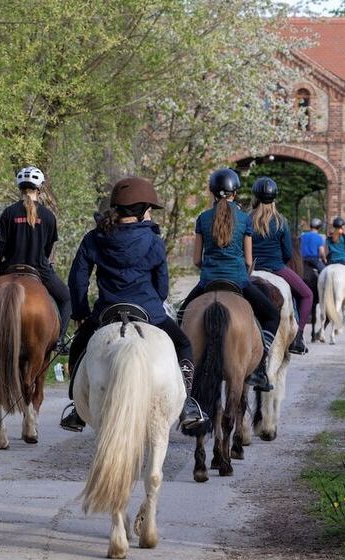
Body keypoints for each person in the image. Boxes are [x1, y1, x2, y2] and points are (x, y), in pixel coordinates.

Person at [59, 177, 207, 432]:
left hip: (107, 312)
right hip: (148, 311)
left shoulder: (95, 237)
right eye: (149, 209)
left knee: (79, 347)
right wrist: (155, 302)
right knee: (183, 344)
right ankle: (188, 404)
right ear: (140, 211)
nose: (150, 214)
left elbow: (77, 279)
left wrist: (81, 313)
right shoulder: (153, 240)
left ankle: (77, 408)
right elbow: (162, 285)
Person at [177, 168, 279, 392]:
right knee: (272, 314)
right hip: (239, 281)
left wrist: (212, 268)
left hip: (208, 282)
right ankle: (260, 366)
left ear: (213, 192)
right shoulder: (244, 219)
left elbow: (196, 260)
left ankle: (181, 368)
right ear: (235, 193)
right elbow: (248, 260)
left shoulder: (203, 218)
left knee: (180, 317)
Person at [0, 166, 72, 352]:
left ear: (20, 187)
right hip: (39, 269)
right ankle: (59, 342)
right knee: (66, 298)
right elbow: (48, 249)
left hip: (10, 268)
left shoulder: (9, 213)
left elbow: (0, 247)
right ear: (39, 188)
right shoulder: (49, 216)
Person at [249, 177, 312, 355]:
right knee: (307, 294)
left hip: (251, 269)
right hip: (276, 267)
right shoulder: (281, 221)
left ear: (255, 197)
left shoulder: (247, 219)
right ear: (274, 198)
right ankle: (298, 338)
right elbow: (288, 254)